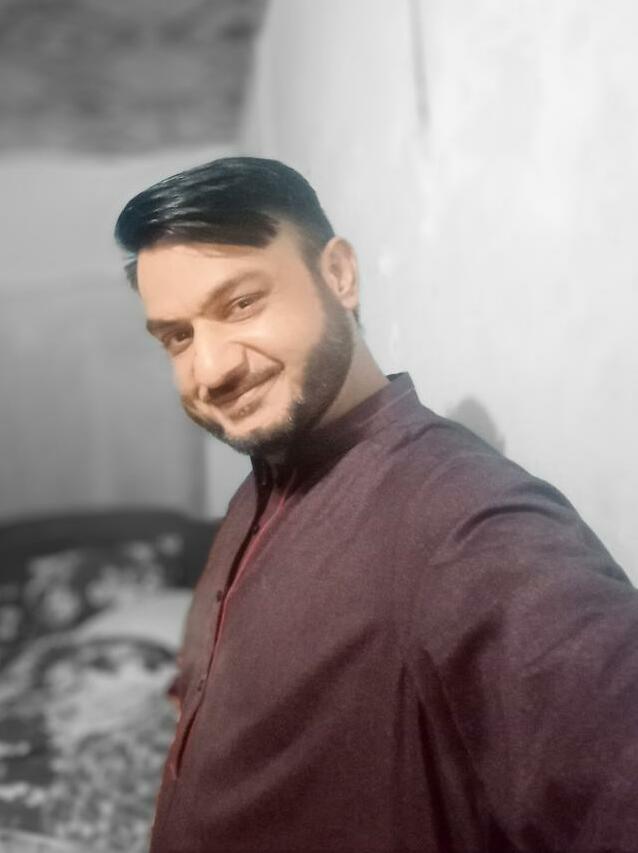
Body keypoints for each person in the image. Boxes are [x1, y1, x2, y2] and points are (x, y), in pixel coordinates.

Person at [114, 157, 638, 853]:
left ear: (338, 275)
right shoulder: (260, 484)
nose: (211, 369)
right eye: (178, 336)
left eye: (241, 304)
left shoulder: (469, 525)